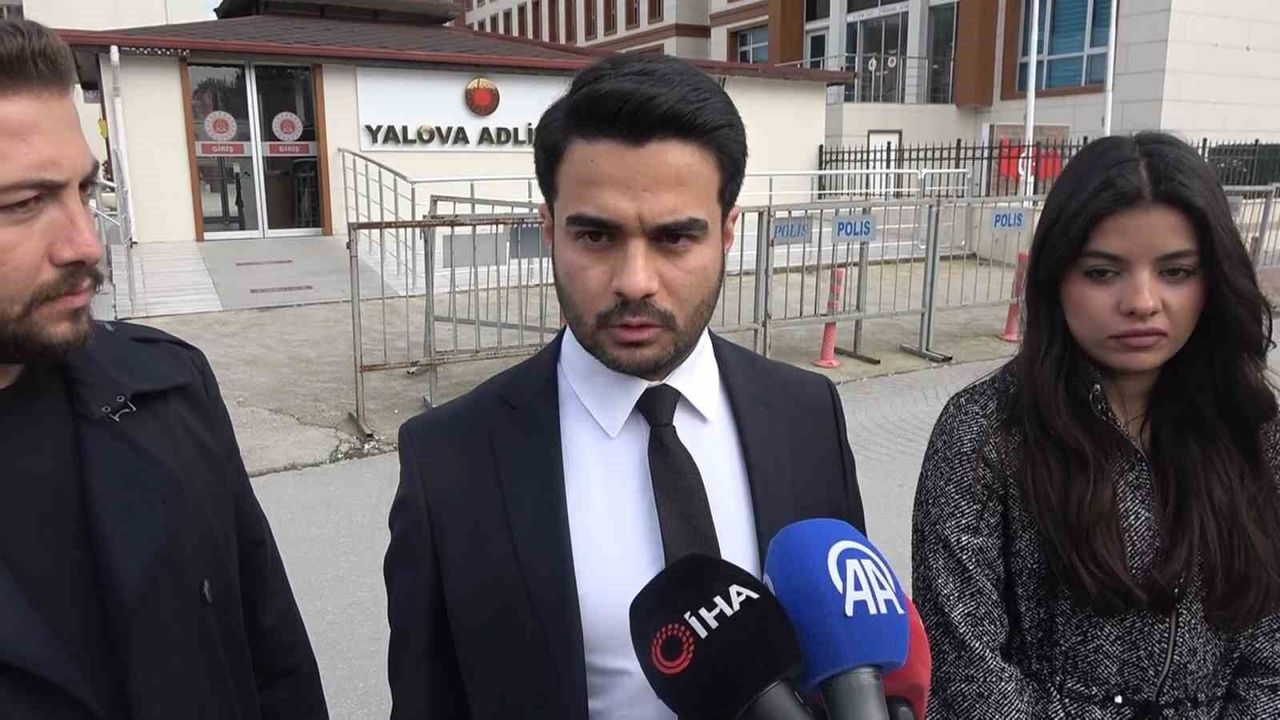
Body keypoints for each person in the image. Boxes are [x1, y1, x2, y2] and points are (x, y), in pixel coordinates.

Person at [385, 54, 865, 720]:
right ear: (549, 230)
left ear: (728, 233)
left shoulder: (807, 415)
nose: (634, 280)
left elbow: (849, 643)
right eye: (596, 235)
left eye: (675, 238)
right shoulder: (450, 459)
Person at [0, 19, 328, 719]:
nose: (86, 243)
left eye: (84, 189)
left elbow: (276, 663)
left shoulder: (170, 388)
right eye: (24, 204)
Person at [913, 132, 1280, 718]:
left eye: (1176, 271)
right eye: (1104, 272)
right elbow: (967, 668)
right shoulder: (984, 433)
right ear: (1056, 277)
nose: (1142, 301)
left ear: (1213, 279)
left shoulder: (1253, 430)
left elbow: (1269, 661)